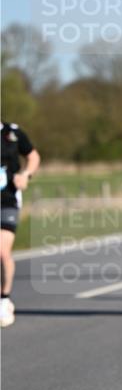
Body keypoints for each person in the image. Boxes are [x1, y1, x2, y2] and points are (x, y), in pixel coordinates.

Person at [1, 121, 41, 328]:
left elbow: (33, 156)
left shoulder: (12, 133)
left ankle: (3, 298)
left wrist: (26, 175)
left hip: (7, 200)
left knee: (2, 251)